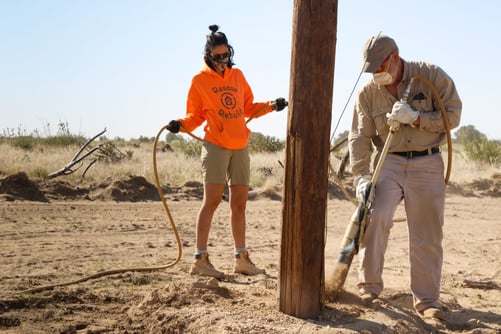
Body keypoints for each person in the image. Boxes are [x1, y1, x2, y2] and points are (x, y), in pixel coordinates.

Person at [348, 34, 462, 325]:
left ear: (395, 59)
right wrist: (361, 176)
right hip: (389, 162)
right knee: (375, 216)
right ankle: (369, 289)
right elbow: (360, 137)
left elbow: (454, 115)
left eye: (379, 68)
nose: (376, 75)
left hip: (427, 161)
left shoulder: (431, 76)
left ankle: (427, 301)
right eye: (371, 70)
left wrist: (416, 118)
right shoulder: (367, 94)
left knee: (427, 234)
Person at [166, 25, 287, 278]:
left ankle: (241, 259)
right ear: (208, 55)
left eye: (226, 56)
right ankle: (200, 259)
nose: (223, 61)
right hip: (216, 145)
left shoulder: (237, 76)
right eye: (217, 57)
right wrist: (180, 124)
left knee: (239, 205)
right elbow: (195, 116)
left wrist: (271, 106)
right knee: (210, 202)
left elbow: (247, 107)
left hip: (240, 145)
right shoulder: (199, 81)